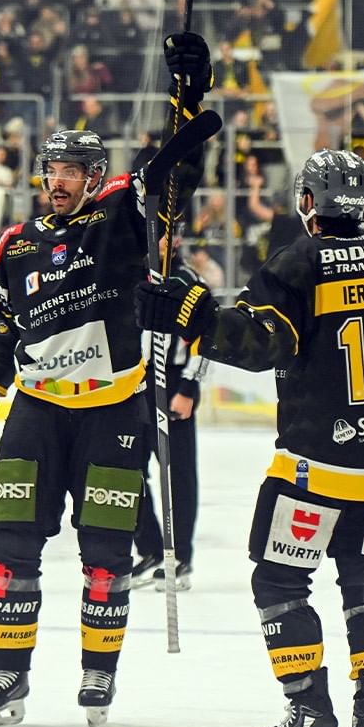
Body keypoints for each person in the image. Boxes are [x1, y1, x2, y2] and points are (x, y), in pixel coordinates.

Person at [135, 149, 364, 727]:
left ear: (309, 201)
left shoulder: (299, 262)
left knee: (277, 579)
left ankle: (309, 713)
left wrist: (188, 311)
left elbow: (255, 343)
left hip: (316, 462)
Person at [0, 31, 213, 727]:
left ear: (95, 178)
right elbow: (1, 336)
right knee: (11, 547)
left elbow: (175, 171)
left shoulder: (122, 218)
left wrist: (189, 97)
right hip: (35, 411)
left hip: (111, 412)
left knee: (105, 549)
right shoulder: (15, 244)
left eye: (71, 170)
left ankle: (98, 674)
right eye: (51, 168)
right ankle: (7, 674)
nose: (57, 179)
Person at [131, 230, 208, 592]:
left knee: (177, 475)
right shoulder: (128, 274)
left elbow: (207, 341)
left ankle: (181, 557)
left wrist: (189, 388)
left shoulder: (189, 282)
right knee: (126, 470)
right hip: (131, 384)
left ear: (176, 241)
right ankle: (149, 549)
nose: (159, 242)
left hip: (172, 381)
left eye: (166, 235)